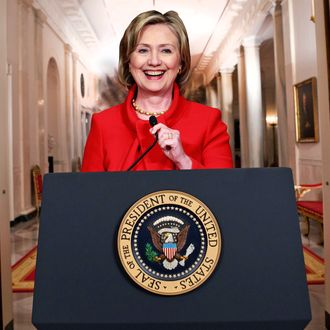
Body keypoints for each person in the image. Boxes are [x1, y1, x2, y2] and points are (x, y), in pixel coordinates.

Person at [81, 10, 233, 172]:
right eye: (143, 50)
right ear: (128, 61)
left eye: (166, 50)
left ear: (181, 62)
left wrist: (183, 161)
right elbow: (89, 194)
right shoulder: (103, 124)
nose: (154, 61)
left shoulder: (209, 121)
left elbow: (223, 192)